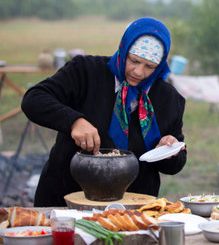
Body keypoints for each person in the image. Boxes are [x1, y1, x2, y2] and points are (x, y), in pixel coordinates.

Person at [21, 17, 187, 207]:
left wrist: (170, 150)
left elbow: (175, 165)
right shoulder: (85, 72)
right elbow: (33, 99)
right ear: (124, 50)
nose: (139, 72)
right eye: (133, 61)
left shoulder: (168, 99)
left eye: (150, 66)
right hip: (66, 199)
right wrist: (74, 121)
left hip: (132, 207)